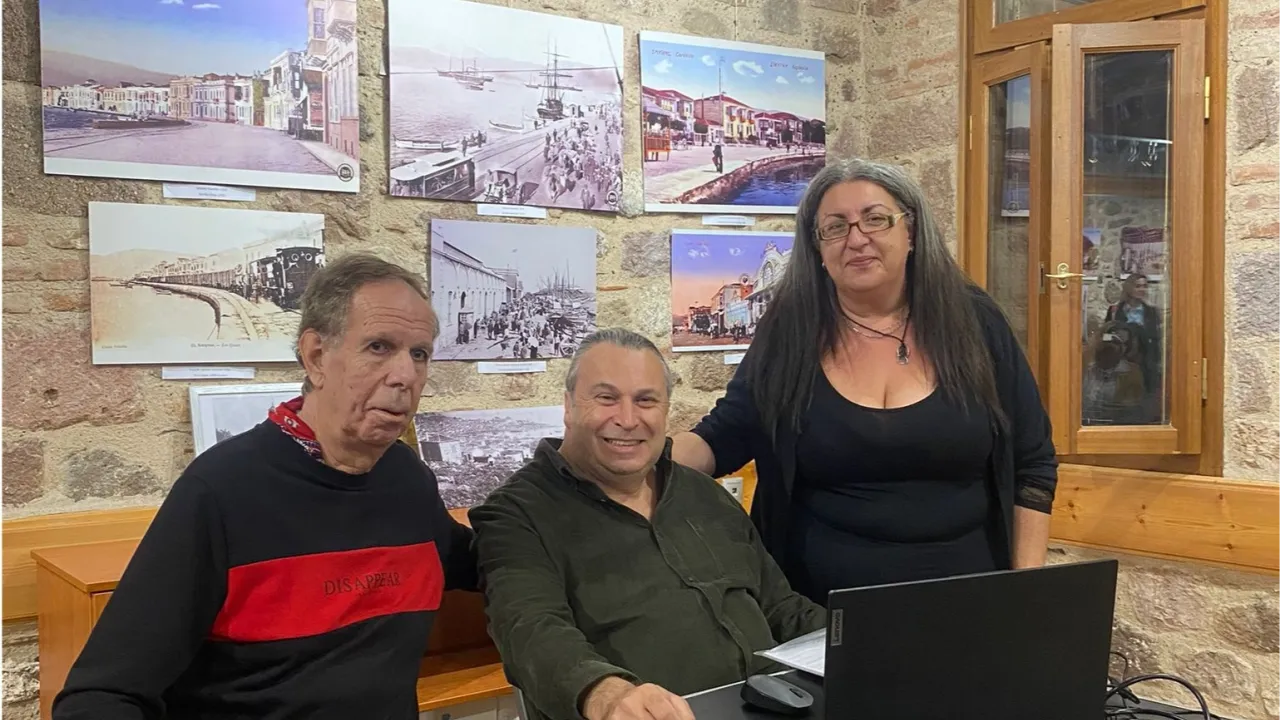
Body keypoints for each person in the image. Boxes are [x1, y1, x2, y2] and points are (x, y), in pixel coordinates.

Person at [53, 254, 478, 720]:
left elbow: (480, 559)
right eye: (379, 347)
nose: (406, 376)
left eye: (419, 354)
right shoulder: (222, 491)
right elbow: (102, 695)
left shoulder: (407, 480)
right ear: (316, 356)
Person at [672, 158, 1058, 605]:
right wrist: (636, 459)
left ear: (911, 232)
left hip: (967, 604)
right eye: (835, 227)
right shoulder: (790, 332)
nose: (856, 239)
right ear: (817, 248)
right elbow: (724, 436)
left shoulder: (976, 322)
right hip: (816, 612)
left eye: (875, 219)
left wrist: (1024, 595)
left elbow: (1033, 463)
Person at [470, 328, 825, 720]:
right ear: (568, 406)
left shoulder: (703, 494)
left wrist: (855, 639)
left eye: (646, 400)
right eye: (606, 398)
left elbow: (781, 606)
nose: (627, 419)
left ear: (665, 410)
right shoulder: (514, 515)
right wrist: (605, 693)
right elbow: (530, 630)